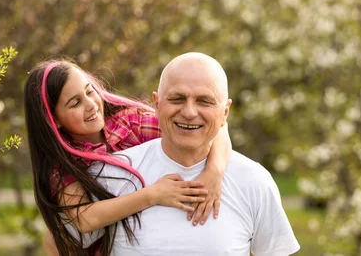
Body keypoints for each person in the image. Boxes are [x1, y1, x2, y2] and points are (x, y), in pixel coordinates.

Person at [89, 52, 301, 255]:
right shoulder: (114, 173)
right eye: (177, 99)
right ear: (157, 104)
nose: (189, 112)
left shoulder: (254, 181)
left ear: (225, 112)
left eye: (204, 101)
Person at [23, 59, 232, 256]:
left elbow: (215, 127)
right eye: (75, 103)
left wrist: (214, 172)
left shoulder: (129, 125)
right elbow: (86, 218)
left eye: (89, 91)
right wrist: (153, 194)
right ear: (54, 119)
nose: (90, 104)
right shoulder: (63, 165)